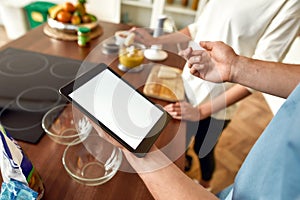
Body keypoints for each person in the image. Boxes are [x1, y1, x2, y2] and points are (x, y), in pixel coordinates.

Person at [95, 41, 300, 199]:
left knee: (204, 148)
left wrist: (133, 145)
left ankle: (205, 181)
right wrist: (235, 67)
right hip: (246, 182)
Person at [133, 0, 300, 189]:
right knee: (180, 142)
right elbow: (199, 28)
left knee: (203, 150)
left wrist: (202, 111)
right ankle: (186, 164)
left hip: (217, 103)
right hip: (187, 85)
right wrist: (156, 40)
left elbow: (262, 73)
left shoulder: (289, 4)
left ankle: (206, 184)